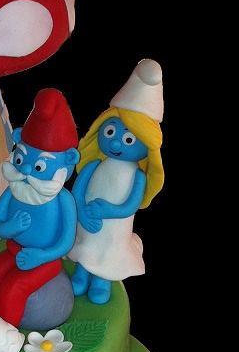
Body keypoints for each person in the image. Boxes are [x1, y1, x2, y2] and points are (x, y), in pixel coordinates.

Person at [67, 59, 165, 304]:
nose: (114, 142)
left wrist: (108, 210)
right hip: (87, 223)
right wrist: (82, 212)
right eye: (110, 132)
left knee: (107, 252)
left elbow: (130, 206)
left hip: (114, 230)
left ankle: (102, 281)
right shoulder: (94, 165)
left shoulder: (138, 175)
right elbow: (78, 191)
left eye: (129, 139)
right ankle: (81, 274)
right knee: (87, 247)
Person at [0, 88, 79, 328]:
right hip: (13, 250)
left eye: (39, 167)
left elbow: (66, 241)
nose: (25, 170)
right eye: (20, 159)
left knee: (14, 287)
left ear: (68, 161)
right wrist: (10, 227)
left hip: (45, 260)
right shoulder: (14, 189)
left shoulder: (63, 200)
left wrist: (41, 256)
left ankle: (5, 336)